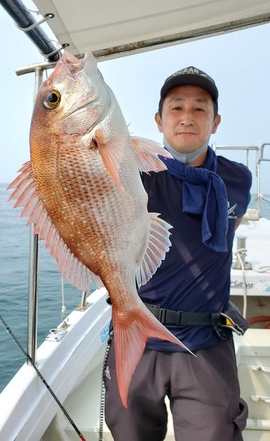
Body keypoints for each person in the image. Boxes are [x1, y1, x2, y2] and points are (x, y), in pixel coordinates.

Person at [104, 66, 252, 441]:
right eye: (177, 107)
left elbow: (223, 240)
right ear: (159, 119)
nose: (188, 117)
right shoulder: (131, 172)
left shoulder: (237, 179)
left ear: (215, 122)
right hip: (137, 336)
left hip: (206, 341)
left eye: (200, 109)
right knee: (130, 433)